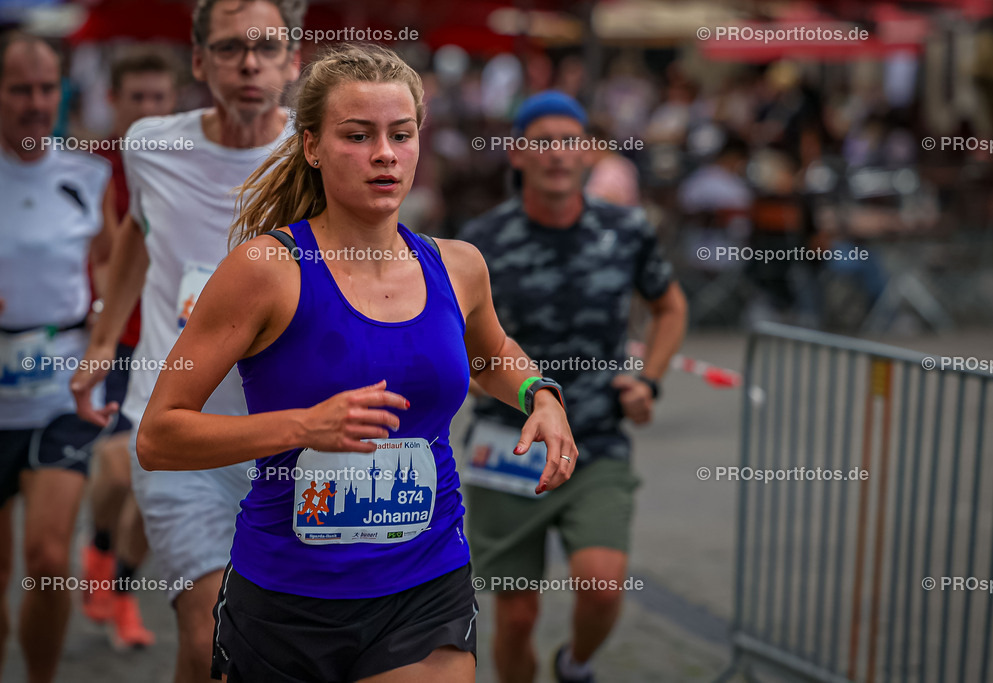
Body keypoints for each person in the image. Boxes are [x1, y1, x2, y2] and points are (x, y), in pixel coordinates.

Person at [131, 42, 577, 683]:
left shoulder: (458, 266)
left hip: (425, 586)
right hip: (286, 599)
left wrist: (541, 394)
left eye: (401, 134)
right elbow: (158, 435)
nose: (384, 154)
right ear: (311, 145)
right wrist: (303, 428)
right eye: (357, 136)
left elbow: (491, 355)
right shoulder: (267, 270)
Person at [70, 1, 303, 680]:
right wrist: (103, 340)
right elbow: (139, 235)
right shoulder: (151, 145)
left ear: (293, 60)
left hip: (287, 433)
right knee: (208, 642)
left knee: (277, 643)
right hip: (174, 428)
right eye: (230, 49)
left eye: (266, 48)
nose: (250, 64)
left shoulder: (316, 151)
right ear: (200, 62)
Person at [459, 91, 688, 683]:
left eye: (570, 141)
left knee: (604, 586)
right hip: (509, 447)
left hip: (595, 439)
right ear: (517, 152)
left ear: (588, 153)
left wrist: (649, 382)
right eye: (542, 141)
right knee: (514, 616)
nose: (557, 154)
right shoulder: (480, 242)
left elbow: (669, 308)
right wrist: (480, 378)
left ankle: (575, 665)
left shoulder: (626, 229)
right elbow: (460, 337)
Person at [0, 32, 112, 683]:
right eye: (20, 90)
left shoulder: (87, 175)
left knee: (45, 556)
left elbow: (116, 270)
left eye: (47, 88)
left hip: (58, 396)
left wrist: (102, 345)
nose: (36, 103)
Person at [81, 46, 179, 649]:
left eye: (158, 99)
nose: (148, 110)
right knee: (120, 468)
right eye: (136, 98)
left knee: (151, 472)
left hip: (177, 345)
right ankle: (97, 547)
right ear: (113, 102)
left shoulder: (188, 168)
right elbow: (92, 260)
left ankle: (120, 590)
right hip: (116, 343)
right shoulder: (94, 171)